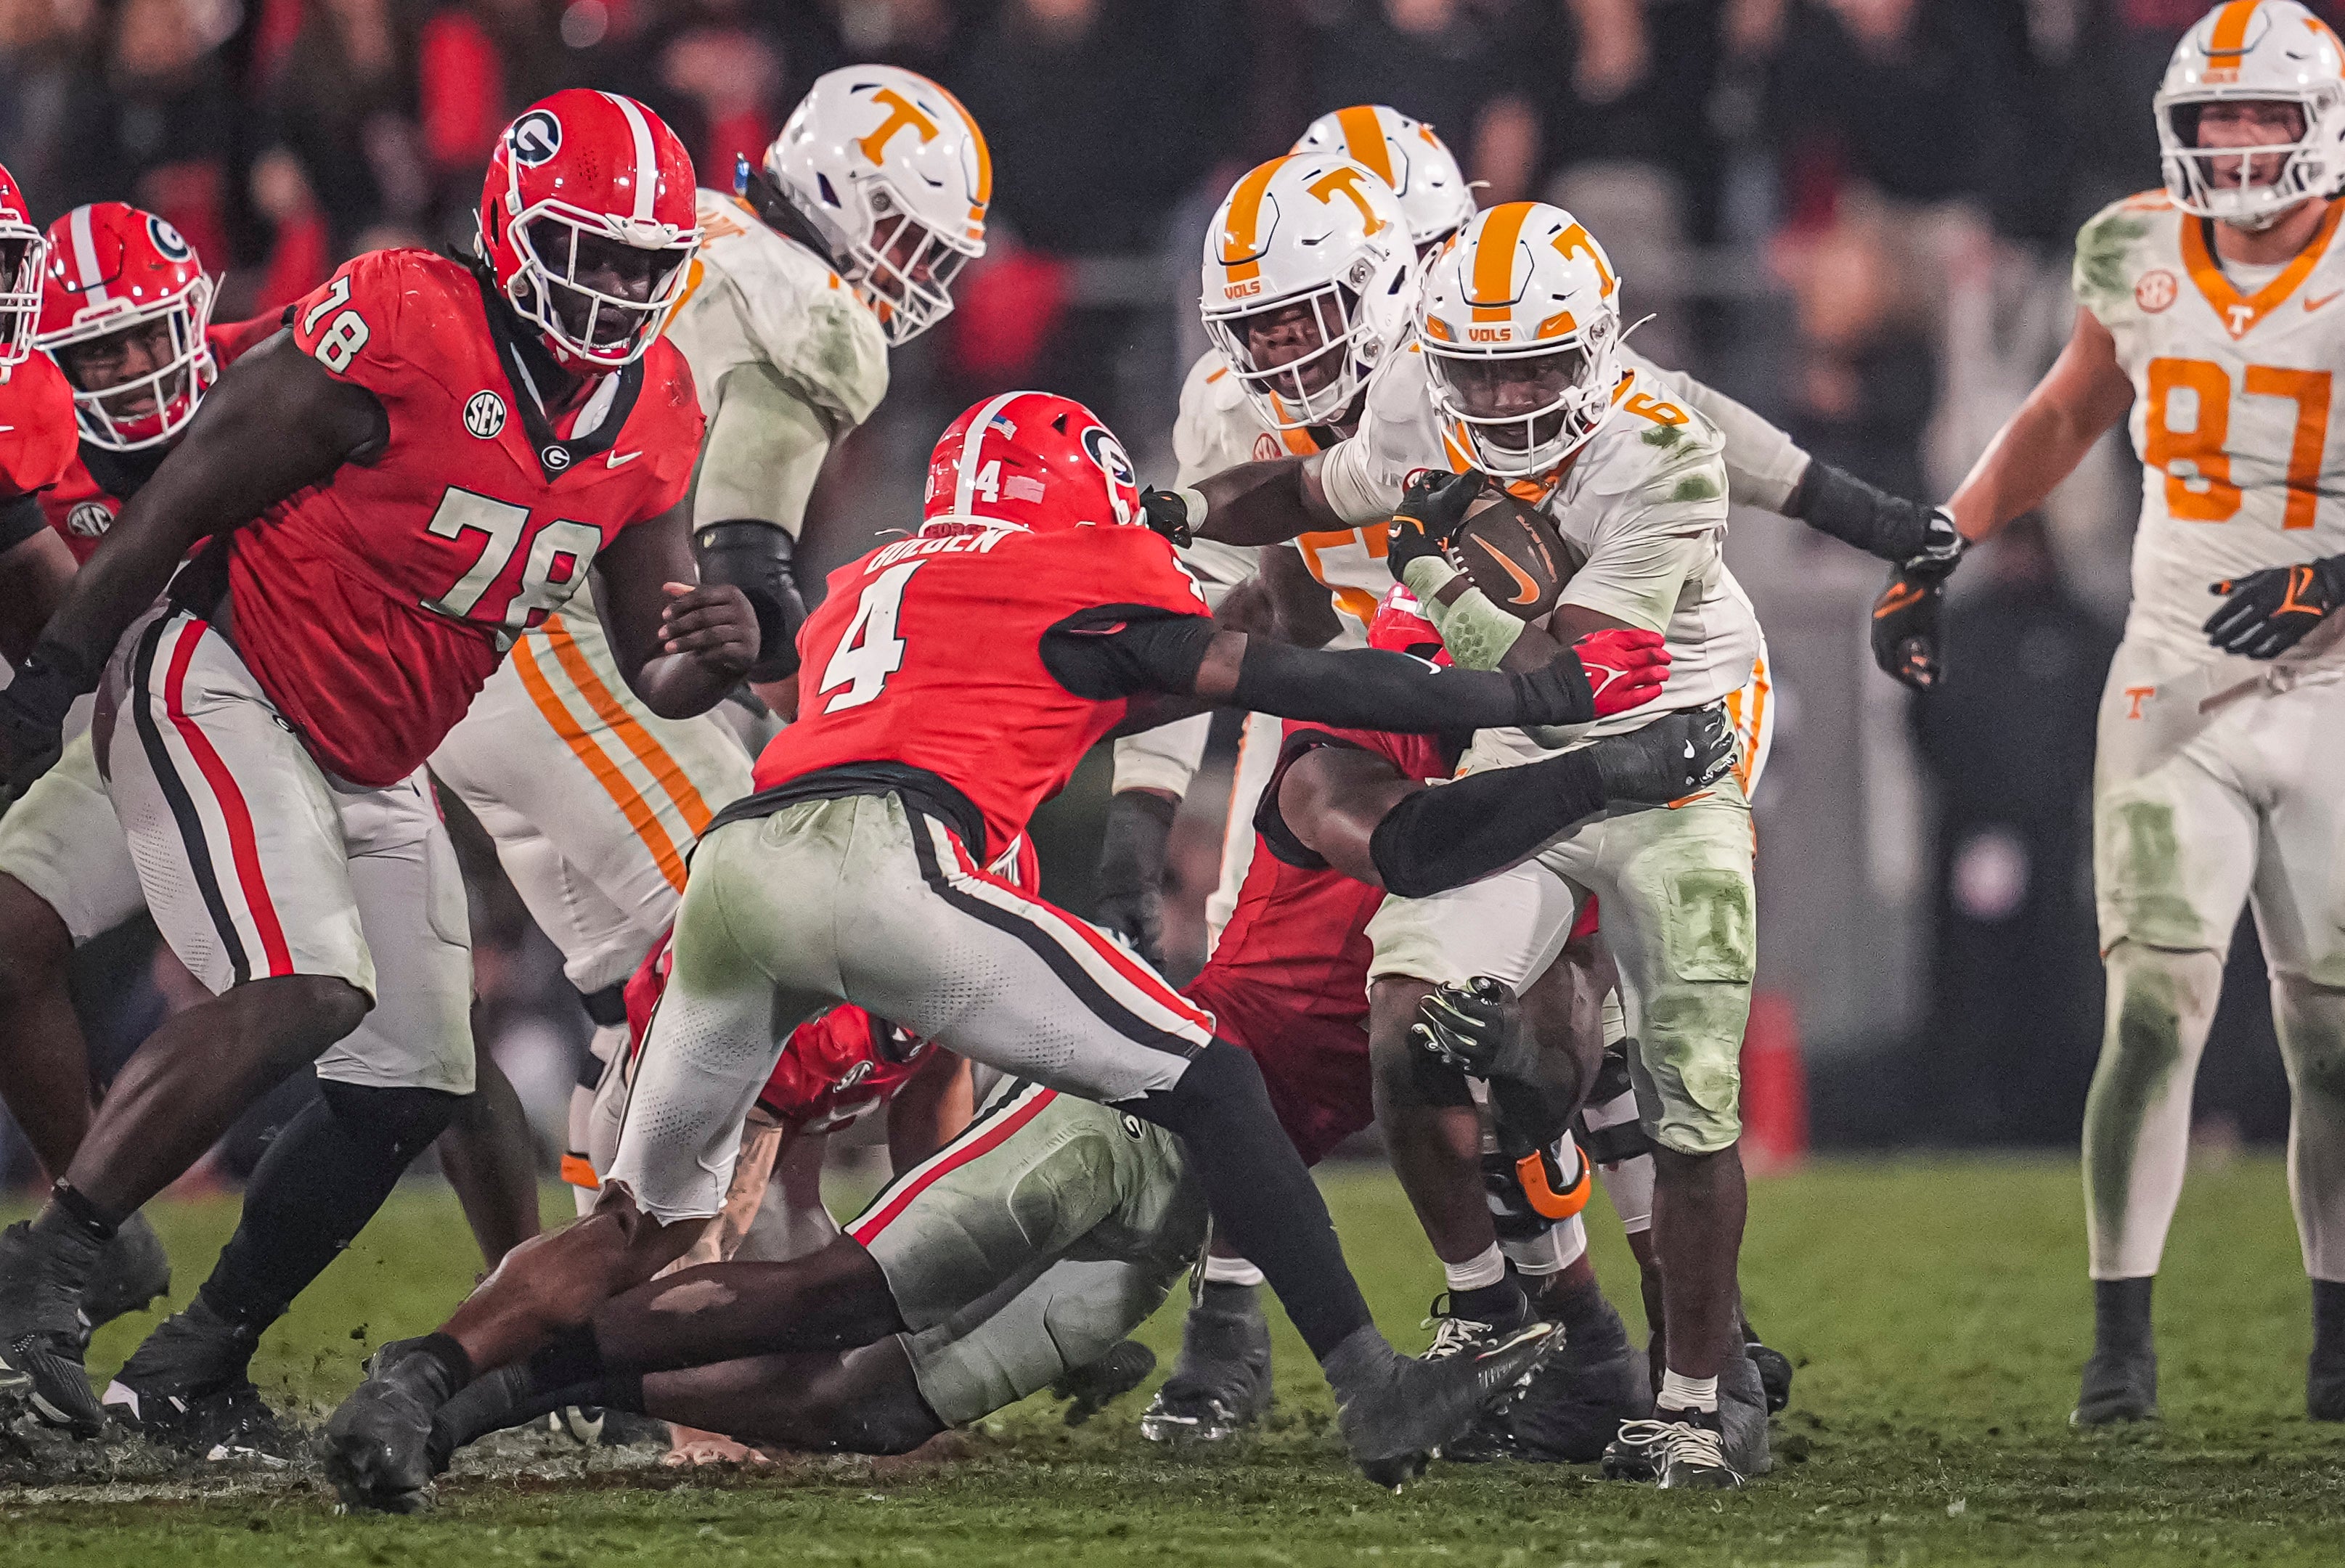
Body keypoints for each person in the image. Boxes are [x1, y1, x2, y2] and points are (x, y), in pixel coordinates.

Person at [320, 387, 1676, 1508]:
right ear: (1075, 490)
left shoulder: (874, 576)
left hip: (736, 866)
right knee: (1211, 1074)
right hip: (884, 857)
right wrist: (1533, 690)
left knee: (638, 1223)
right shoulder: (1074, 570)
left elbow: (991, 678)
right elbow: (1290, 679)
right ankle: (1371, 1382)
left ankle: (429, 1381)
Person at [0, 90, 757, 1441]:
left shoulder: (657, 407)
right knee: (303, 986)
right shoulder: (406, 317)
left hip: (376, 754)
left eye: (644, 260)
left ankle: (194, 1368)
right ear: (514, 232)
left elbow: (657, 661)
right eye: (590, 250)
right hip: (229, 677)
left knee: (418, 1079)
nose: (617, 286)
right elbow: (184, 497)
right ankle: (45, 1275)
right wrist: (53, 677)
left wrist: (717, 647)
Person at [1878, 0, 2345, 1426]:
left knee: (2328, 1036)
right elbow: (2066, 412)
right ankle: (2118, 1345)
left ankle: (2336, 1337)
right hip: (2172, 675)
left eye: (2265, 115)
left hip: (2332, 683)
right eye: (2217, 118)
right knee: (2149, 1008)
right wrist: (1943, 540)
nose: (2239, 143)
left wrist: (2332, 576)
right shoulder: (2131, 246)